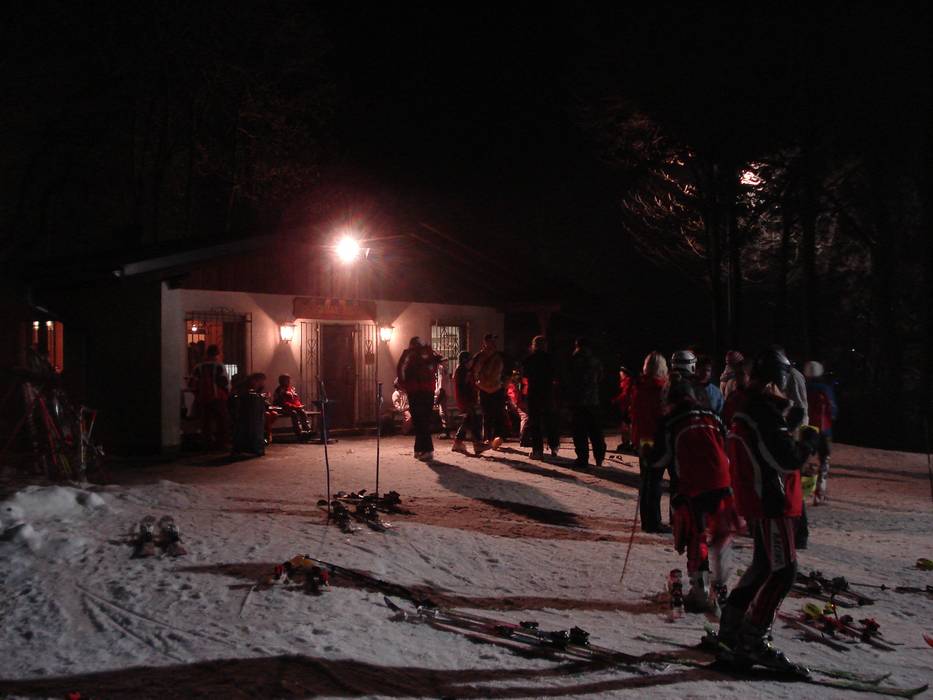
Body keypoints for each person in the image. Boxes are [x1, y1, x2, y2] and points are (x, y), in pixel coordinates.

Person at [718, 348, 819, 673]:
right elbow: (784, 459)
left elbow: (766, 443)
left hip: (760, 498)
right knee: (783, 571)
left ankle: (731, 632)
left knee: (763, 566)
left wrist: (788, 424)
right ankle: (753, 640)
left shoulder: (751, 406)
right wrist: (808, 443)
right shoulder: (761, 411)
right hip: (771, 500)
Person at [648, 380, 737, 613]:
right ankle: (721, 584)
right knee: (721, 534)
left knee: (696, 535)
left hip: (693, 486)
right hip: (723, 481)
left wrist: (648, 456)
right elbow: (728, 444)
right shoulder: (712, 415)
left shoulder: (670, 422)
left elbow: (660, 458)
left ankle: (701, 590)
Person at [631, 351, 670, 533]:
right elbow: (661, 414)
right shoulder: (660, 389)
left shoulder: (639, 386)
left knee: (646, 479)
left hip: (643, 438)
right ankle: (653, 521)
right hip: (656, 437)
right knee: (654, 480)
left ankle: (647, 520)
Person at [397, 337, 443, 461]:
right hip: (428, 391)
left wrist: (404, 385)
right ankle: (419, 449)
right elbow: (435, 369)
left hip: (415, 392)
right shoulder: (429, 355)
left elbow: (401, 370)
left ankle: (427, 450)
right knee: (424, 420)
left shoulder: (410, 356)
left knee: (419, 421)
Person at [567, 337, 606, 467]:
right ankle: (599, 457)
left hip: (577, 401)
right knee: (596, 431)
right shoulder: (595, 360)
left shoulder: (573, 360)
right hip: (593, 400)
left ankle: (582, 459)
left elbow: (568, 380)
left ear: (577, 345)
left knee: (580, 432)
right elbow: (600, 377)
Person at [803, 360, 838, 503]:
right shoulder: (825, 389)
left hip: (806, 428)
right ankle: (819, 493)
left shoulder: (804, 387)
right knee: (824, 460)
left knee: (803, 459)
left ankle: (802, 492)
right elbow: (833, 410)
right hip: (824, 429)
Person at [522, 335, 560, 459]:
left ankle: (538, 450)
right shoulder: (551, 359)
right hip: (548, 393)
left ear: (534, 346)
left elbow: (525, 375)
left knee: (535, 422)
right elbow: (556, 375)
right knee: (550, 420)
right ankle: (554, 446)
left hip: (534, 393)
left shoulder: (529, 359)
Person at [472, 333, 506, 450]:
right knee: (487, 415)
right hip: (484, 389)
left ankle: (497, 438)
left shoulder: (500, 357)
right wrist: (479, 385)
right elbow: (474, 372)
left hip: (497, 389)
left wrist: (503, 384)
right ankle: (488, 438)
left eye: (494, 341)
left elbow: (505, 373)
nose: (493, 344)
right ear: (485, 343)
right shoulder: (479, 357)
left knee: (498, 414)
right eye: (490, 341)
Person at [451, 350, 489, 455]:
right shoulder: (463, 372)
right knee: (474, 420)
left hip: (466, 400)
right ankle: (477, 444)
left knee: (468, 421)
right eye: (470, 360)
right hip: (466, 401)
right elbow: (464, 387)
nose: (472, 363)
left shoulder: (464, 370)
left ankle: (458, 443)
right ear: (465, 361)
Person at [193, 344, 229, 448]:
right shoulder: (219, 366)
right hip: (218, 398)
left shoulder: (198, 367)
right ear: (217, 354)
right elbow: (224, 382)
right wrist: (226, 393)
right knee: (222, 421)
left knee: (206, 422)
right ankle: (221, 443)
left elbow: (193, 383)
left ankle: (207, 443)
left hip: (203, 398)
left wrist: (197, 394)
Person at [272, 374, 313, 441]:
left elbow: (296, 399)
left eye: (289, 380)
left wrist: (299, 406)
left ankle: (308, 430)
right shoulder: (280, 390)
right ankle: (299, 433)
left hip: (293, 407)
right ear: (282, 381)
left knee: (302, 411)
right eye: (286, 380)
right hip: (282, 408)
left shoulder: (291, 389)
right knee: (294, 413)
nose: (289, 381)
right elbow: (283, 403)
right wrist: (295, 407)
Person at [612, 365, 636, 453]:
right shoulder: (625, 382)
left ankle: (630, 443)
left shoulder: (628, 382)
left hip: (628, 408)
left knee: (627, 427)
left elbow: (626, 396)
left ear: (625, 374)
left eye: (621, 373)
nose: (620, 374)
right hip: (625, 408)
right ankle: (627, 442)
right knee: (626, 426)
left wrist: (616, 400)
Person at [434, 358, 453, 439]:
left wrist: (440, 395)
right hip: (444, 392)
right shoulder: (445, 368)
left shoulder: (441, 368)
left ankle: (446, 431)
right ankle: (446, 431)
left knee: (443, 412)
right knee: (444, 411)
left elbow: (441, 383)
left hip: (443, 392)